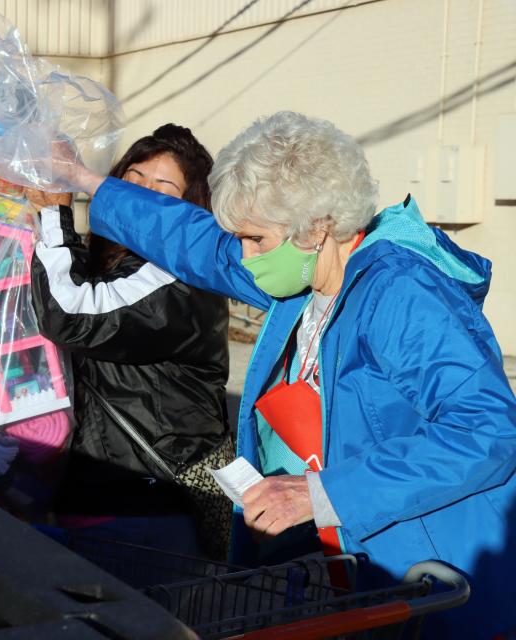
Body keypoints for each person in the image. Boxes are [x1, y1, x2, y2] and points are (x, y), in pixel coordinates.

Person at [54, 111, 516, 636]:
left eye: (256, 240)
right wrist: (85, 180)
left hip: (434, 578)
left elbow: (487, 430)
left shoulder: (400, 292)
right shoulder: (304, 273)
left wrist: (322, 493)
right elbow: (195, 240)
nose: (245, 258)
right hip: (359, 565)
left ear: (318, 227)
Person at [27, 124, 232, 560]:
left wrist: (53, 217)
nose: (140, 196)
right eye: (133, 180)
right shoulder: (115, 266)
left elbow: (70, 314)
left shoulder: (179, 279)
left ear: (189, 210)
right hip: (94, 498)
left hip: (147, 511)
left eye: (162, 188)